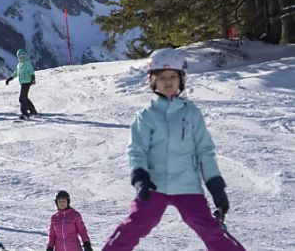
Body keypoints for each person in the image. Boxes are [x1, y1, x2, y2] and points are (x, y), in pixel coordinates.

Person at [102, 48, 246, 251]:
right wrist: (140, 177)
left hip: (187, 186)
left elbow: (205, 151)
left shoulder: (191, 114)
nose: (168, 82)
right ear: (152, 81)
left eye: (173, 77)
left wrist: (215, 185)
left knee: (211, 231)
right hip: (154, 187)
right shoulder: (147, 116)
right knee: (132, 228)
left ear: (181, 80)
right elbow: (137, 150)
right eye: (162, 77)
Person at [6, 48, 38, 120]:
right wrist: (10, 78)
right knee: (24, 98)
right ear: (18, 57)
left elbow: (31, 71)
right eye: (20, 56)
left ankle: (25, 113)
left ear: (25, 56)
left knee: (22, 98)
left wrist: (33, 78)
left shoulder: (27, 63)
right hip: (22, 82)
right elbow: (16, 73)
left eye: (23, 56)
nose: (21, 58)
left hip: (27, 81)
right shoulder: (19, 65)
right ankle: (33, 111)